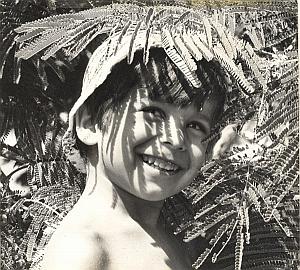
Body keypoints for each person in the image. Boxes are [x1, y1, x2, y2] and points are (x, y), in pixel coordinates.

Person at [41, 47, 228, 270]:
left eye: (195, 125)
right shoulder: (82, 250)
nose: (176, 139)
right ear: (90, 123)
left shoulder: (181, 238)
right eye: (154, 113)